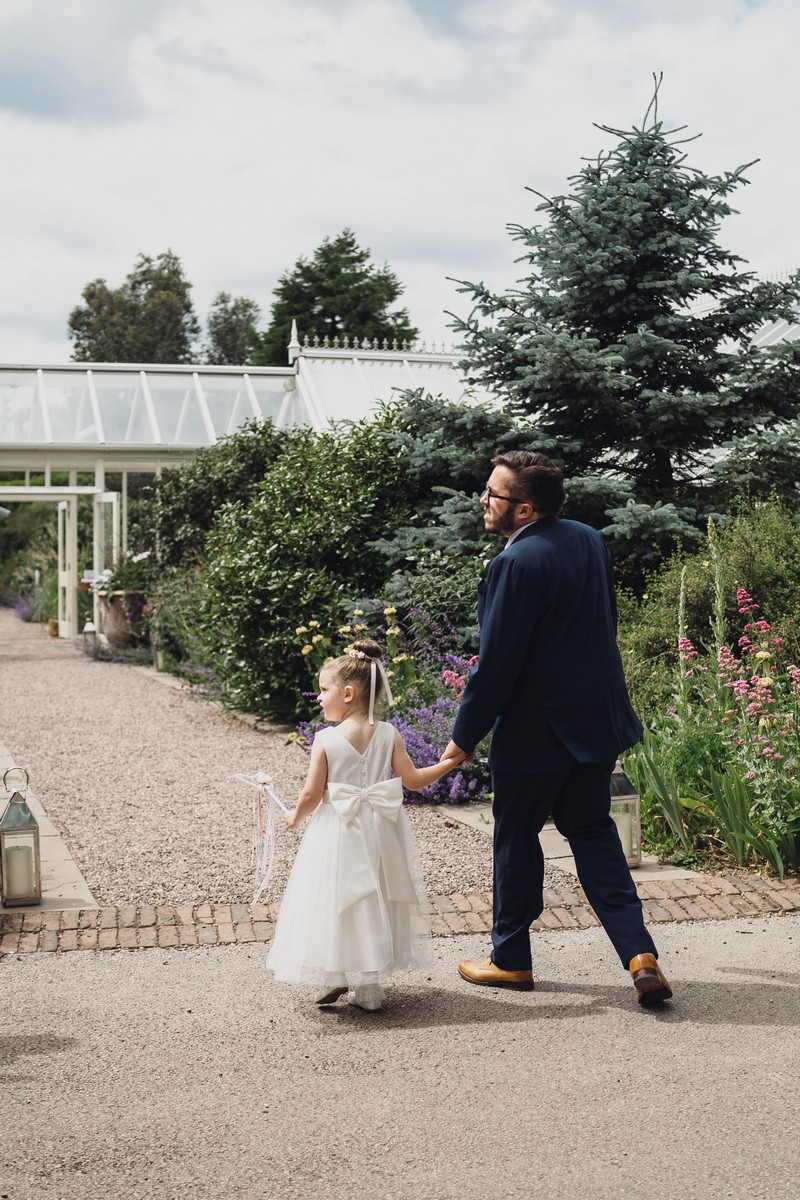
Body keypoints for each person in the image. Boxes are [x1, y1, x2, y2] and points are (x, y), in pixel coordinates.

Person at [441, 451, 672, 1007]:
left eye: (493, 494)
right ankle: (640, 954)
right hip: (594, 720)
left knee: (516, 835)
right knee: (591, 831)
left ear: (524, 509)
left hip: (535, 730)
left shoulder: (515, 564)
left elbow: (497, 665)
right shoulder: (588, 539)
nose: (483, 500)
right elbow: (603, 624)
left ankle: (510, 959)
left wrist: (463, 738)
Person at [267, 638, 464, 1012]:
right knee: (375, 895)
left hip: (338, 828)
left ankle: (335, 975)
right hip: (380, 827)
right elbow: (414, 780)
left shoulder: (326, 739)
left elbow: (312, 793)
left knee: (336, 896)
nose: (318, 698)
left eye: (323, 690)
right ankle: (370, 986)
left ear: (348, 693)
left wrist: (295, 815)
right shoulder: (388, 733)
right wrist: (451, 762)